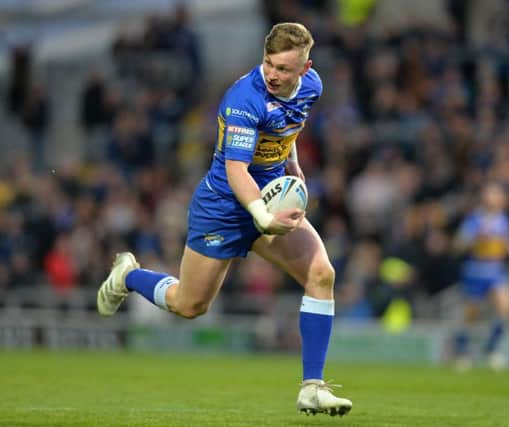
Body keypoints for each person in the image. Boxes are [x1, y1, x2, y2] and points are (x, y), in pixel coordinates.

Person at [97, 22, 352, 416]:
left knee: (322, 274)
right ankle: (128, 275)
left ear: (305, 68)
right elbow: (236, 171)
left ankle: (312, 387)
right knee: (189, 305)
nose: (273, 74)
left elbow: (290, 127)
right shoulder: (243, 99)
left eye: (284, 69)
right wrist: (261, 217)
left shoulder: (313, 86)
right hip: (225, 206)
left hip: (268, 196)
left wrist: (293, 164)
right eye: (269, 63)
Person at [452, 181, 509, 371]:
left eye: (497, 194)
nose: (494, 198)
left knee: (506, 307)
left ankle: (491, 349)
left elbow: (508, 241)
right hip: (476, 271)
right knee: (471, 315)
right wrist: (474, 239)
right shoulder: (474, 220)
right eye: (490, 194)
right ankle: (461, 350)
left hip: (495, 271)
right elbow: (458, 245)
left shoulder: (504, 220)